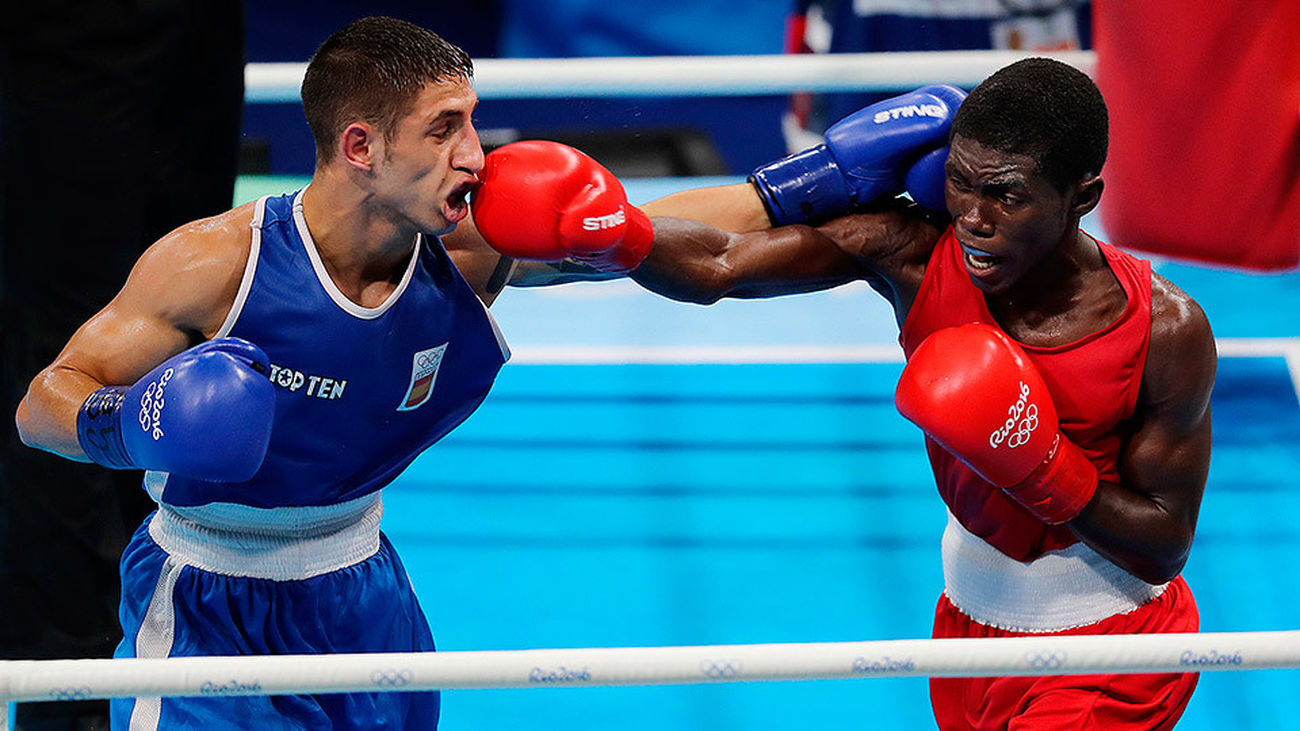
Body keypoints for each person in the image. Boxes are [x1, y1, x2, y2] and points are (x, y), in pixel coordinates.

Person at [493, 58, 1213, 729]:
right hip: (969, 627)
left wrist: (1041, 463)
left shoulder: (1164, 328)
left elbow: (1164, 545)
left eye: (1007, 195)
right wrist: (617, 234)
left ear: (1082, 196)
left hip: (1112, 648)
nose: (974, 216)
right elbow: (720, 263)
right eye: (961, 182)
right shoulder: (916, 252)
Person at [14, 16, 655, 730]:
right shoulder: (213, 265)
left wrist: (782, 199)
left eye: (472, 123)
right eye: (444, 129)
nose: (476, 156)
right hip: (205, 597)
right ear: (361, 147)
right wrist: (135, 422)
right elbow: (42, 405)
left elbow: (694, 233)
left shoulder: (469, 247)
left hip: (364, 585)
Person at [0, 2, 244, 729]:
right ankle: (63, 694)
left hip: (193, 22)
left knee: (186, 318)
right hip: (65, 30)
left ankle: (160, 648)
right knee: (61, 356)